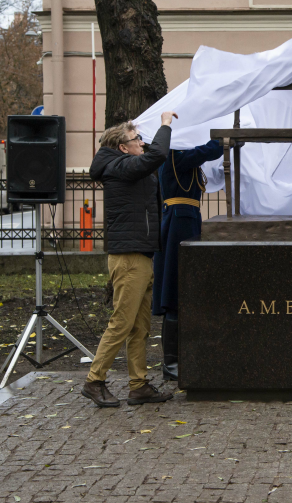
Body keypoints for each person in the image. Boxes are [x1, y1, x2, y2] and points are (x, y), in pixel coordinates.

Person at [82, 112, 178, 408]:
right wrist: (165, 124)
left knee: (140, 325)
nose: (142, 142)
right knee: (122, 322)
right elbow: (159, 153)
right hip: (129, 258)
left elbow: (152, 159)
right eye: (137, 139)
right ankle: (94, 380)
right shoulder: (120, 166)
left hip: (141, 254)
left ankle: (139, 386)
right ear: (123, 147)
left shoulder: (122, 165)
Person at [152, 138, 223, 381]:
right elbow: (206, 152)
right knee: (174, 291)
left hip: (189, 218)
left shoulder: (183, 155)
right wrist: (221, 142)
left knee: (185, 292)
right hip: (177, 223)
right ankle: (171, 361)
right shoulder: (173, 153)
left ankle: (184, 356)